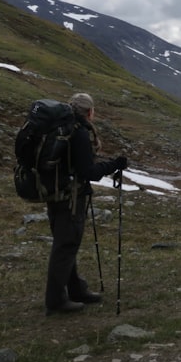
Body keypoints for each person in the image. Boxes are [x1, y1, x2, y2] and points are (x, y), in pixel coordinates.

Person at [45, 92, 127, 315]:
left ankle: (75, 289)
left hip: (55, 193)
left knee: (66, 243)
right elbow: (88, 172)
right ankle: (55, 301)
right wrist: (114, 164)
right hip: (70, 198)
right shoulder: (79, 134)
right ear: (89, 112)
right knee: (66, 245)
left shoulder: (62, 129)